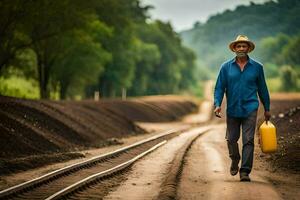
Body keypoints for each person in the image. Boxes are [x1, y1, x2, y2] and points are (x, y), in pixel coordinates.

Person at [213, 35, 271, 182]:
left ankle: (245, 171)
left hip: (250, 108)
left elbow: (263, 89)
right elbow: (219, 87)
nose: (241, 49)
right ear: (234, 48)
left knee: (248, 140)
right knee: (231, 139)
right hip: (232, 109)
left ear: (248, 49)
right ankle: (235, 158)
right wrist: (217, 104)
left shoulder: (257, 67)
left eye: (244, 46)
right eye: (238, 46)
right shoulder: (225, 67)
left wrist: (267, 108)